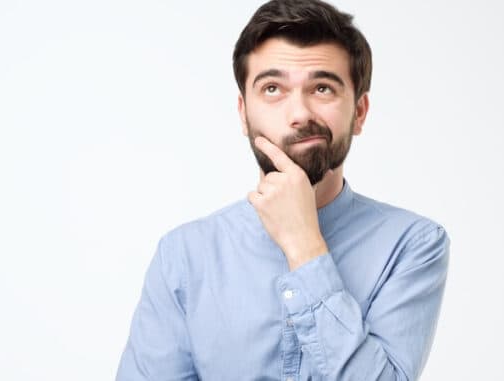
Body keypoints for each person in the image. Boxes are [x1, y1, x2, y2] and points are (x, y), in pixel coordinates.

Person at [116, 0, 450, 380]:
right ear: (243, 112)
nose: (300, 114)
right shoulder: (184, 255)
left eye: (322, 88)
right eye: (273, 88)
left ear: (359, 112)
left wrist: (304, 245)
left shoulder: (414, 245)